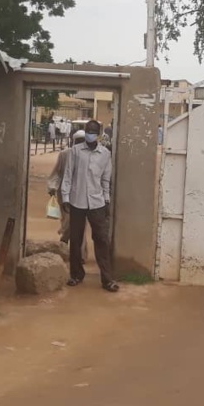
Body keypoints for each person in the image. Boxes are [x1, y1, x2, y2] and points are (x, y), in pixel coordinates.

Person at [60, 119, 118, 292]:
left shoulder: (105, 154)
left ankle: (107, 279)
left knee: (101, 239)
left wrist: (106, 200)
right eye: (88, 131)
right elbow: (68, 175)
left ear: (99, 134)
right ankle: (76, 274)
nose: (90, 134)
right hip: (77, 201)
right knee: (76, 240)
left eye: (93, 131)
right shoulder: (75, 152)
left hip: (97, 202)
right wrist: (65, 197)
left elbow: (106, 179)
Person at [48, 130, 89, 263]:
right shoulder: (65, 154)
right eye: (78, 141)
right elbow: (56, 173)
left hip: (83, 195)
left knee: (81, 224)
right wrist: (52, 187)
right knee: (68, 222)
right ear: (73, 141)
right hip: (65, 194)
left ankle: (80, 255)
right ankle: (64, 245)